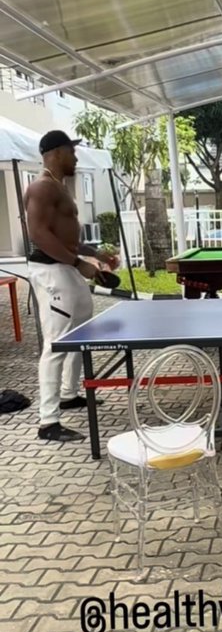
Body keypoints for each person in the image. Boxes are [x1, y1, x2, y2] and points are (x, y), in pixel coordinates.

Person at [25, 131, 118, 443]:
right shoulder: (41, 187)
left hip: (67, 267)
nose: (76, 158)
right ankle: (48, 421)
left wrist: (94, 254)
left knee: (83, 328)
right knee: (56, 343)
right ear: (55, 152)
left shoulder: (57, 186)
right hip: (51, 271)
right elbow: (39, 233)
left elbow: (67, 237)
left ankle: (69, 393)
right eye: (71, 151)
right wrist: (79, 264)